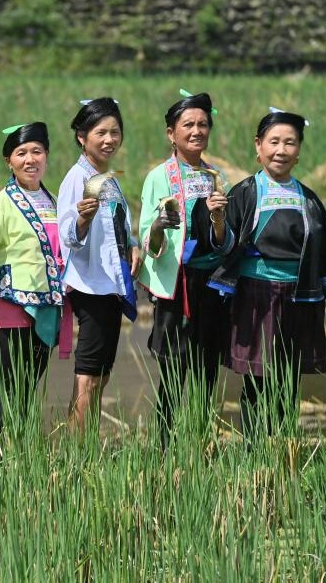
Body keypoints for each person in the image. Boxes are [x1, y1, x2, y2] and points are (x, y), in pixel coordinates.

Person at [208, 108, 326, 443]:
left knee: (289, 380)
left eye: (290, 143)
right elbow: (224, 247)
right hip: (256, 296)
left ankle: (281, 449)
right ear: (258, 146)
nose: (281, 150)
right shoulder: (245, 192)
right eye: (274, 141)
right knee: (258, 378)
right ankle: (254, 453)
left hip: (301, 297)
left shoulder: (309, 199)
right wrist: (218, 222)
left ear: (299, 151)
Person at [137, 91, 231, 450]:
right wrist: (160, 225)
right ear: (170, 133)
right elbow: (147, 234)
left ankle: (199, 442)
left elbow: (224, 238)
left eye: (203, 124)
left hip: (211, 283)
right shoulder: (158, 177)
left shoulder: (216, 175)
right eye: (188, 125)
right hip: (177, 283)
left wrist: (220, 219)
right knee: (174, 369)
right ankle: (164, 447)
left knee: (207, 368)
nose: (196, 130)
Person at [0, 122, 64, 431]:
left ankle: (19, 457)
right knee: (13, 390)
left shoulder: (54, 201)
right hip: (10, 307)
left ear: (47, 156)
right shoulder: (0, 201)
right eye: (21, 153)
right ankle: (9, 458)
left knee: (28, 389)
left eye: (37, 151)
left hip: (46, 307)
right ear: (8, 161)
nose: (30, 159)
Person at [57, 97, 141, 433]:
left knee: (102, 375)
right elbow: (67, 238)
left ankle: (85, 448)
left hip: (110, 285)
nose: (109, 139)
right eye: (100, 132)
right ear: (82, 136)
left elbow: (116, 225)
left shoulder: (108, 178)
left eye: (115, 132)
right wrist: (80, 221)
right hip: (90, 285)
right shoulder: (77, 178)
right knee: (88, 378)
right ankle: (78, 459)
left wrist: (132, 245)